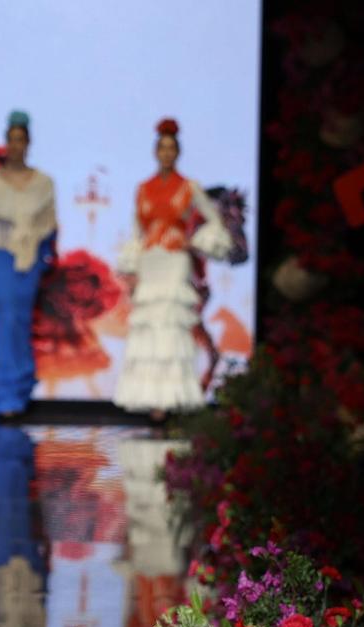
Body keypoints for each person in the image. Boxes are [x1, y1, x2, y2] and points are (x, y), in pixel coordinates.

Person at [112, 119, 232, 420]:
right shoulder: (143, 188)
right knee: (151, 327)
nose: (166, 153)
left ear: (178, 153)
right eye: (162, 148)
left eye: (171, 149)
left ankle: (171, 398)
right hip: (150, 261)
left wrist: (196, 242)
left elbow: (214, 220)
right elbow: (137, 230)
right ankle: (154, 400)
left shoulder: (189, 187)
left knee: (171, 325)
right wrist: (133, 267)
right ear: (156, 152)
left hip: (176, 260)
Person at [0, 111, 57, 419]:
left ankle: (20, 391)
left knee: (21, 323)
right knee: (3, 322)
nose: (16, 145)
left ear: (28, 143)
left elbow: (49, 227)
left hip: (28, 260)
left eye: (21, 140)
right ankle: (3, 397)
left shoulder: (43, 183)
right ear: (6, 142)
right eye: (11, 140)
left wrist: (43, 260)